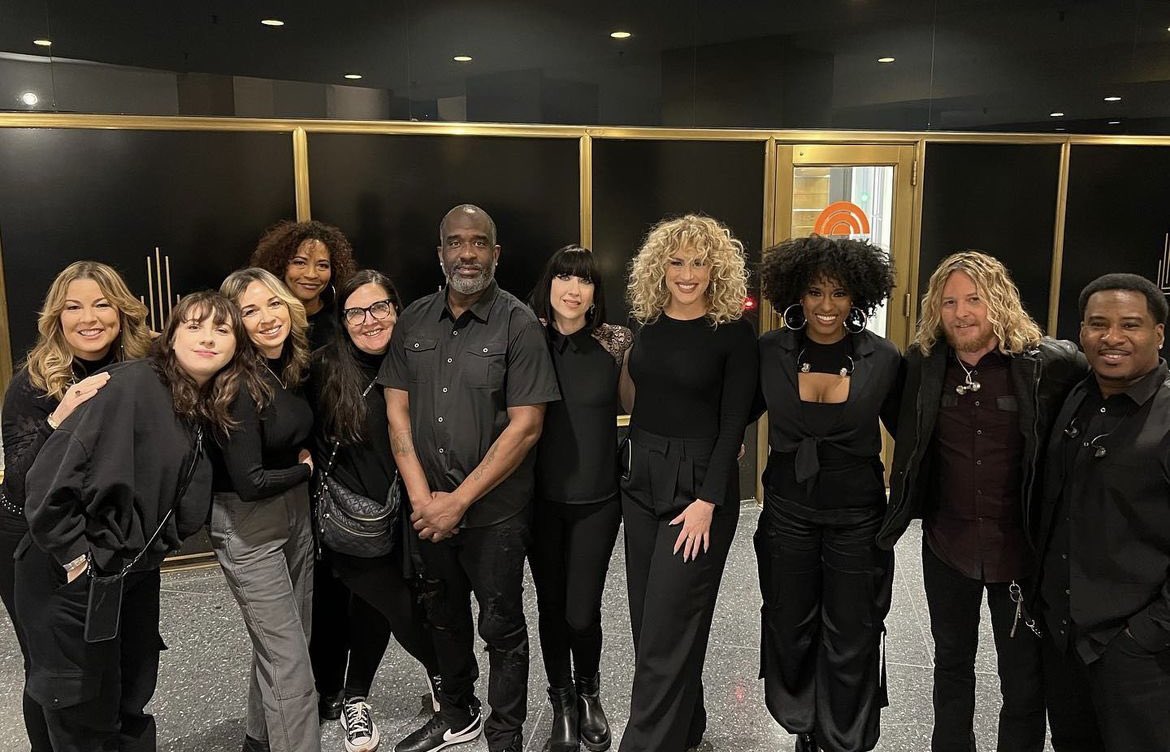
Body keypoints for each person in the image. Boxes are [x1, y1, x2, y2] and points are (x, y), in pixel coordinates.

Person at [13, 290, 250, 752]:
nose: (208, 338)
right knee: (83, 712)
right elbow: (47, 478)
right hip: (75, 574)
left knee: (130, 697)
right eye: (195, 325)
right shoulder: (130, 386)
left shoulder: (197, 402)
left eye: (222, 330)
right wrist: (77, 556)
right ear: (171, 334)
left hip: (130, 573)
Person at [876, 251, 1085, 752]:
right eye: (949, 301)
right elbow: (905, 429)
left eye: (974, 298)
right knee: (951, 665)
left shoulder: (1050, 365)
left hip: (1022, 550)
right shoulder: (923, 364)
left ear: (999, 300)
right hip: (948, 545)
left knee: (1023, 678)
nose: (961, 312)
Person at [380, 204, 559, 752]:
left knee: (502, 628)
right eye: (455, 243)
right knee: (442, 617)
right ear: (440, 254)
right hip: (426, 508)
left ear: (495, 253)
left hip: (493, 515)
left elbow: (526, 428)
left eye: (478, 243)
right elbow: (396, 413)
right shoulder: (413, 319)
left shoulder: (519, 324)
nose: (466, 253)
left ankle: (505, 735)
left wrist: (457, 502)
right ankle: (458, 712)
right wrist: (423, 500)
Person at [755, 235, 901, 752]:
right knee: (790, 621)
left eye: (839, 293)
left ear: (857, 297)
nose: (825, 305)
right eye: (815, 292)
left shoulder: (882, 357)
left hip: (857, 516)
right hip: (788, 512)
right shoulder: (771, 351)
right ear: (797, 293)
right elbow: (729, 414)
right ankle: (802, 722)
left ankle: (843, 734)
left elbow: (911, 433)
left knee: (852, 629)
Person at [619, 214, 758, 752]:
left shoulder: (733, 335)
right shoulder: (648, 322)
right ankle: (687, 727)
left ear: (716, 269)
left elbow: (733, 424)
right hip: (641, 477)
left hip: (697, 487)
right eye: (676, 261)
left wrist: (708, 500)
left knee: (665, 630)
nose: (687, 273)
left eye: (699, 262)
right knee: (649, 623)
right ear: (659, 266)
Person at [1, 260, 152, 752]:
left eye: (102, 304)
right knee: (54, 675)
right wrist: (59, 418)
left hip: (111, 538)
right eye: (73, 306)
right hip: (30, 540)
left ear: (122, 311)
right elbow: (20, 486)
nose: (89, 317)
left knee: (124, 662)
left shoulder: (142, 371)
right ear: (56, 318)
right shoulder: (33, 383)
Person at [306, 269, 442, 752]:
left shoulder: (420, 363)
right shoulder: (322, 368)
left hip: (413, 513)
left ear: (397, 309)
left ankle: (355, 696)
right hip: (353, 520)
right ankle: (454, 688)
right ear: (343, 321)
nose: (370, 320)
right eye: (356, 312)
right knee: (400, 610)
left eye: (380, 307)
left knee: (375, 608)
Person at [1036, 273, 1170, 751]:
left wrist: (1144, 638)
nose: (1112, 337)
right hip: (1066, 638)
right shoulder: (1078, 396)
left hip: (1139, 652)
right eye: (1098, 324)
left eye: (1130, 324)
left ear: (1158, 334)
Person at [527, 246, 632, 752]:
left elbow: (648, 404)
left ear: (595, 293)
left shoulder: (616, 343)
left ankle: (590, 691)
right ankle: (562, 700)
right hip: (538, 500)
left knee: (580, 610)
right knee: (550, 606)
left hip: (598, 498)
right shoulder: (526, 340)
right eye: (564, 277)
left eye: (585, 281)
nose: (573, 288)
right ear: (549, 285)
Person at [212, 268, 319, 752]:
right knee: (289, 661)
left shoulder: (290, 365)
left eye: (272, 303)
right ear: (235, 323)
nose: (266, 318)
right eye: (249, 311)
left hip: (294, 512)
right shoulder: (236, 383)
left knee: (283, 646)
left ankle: (259, 740)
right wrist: (304, 471)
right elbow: (250, 483)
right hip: (248, 522)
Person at [250, 220, 358, 351]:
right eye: (300, 263)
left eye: (322, 265)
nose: (311, 274)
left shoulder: (343, 319)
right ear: (280, 265)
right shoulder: (267, 322)